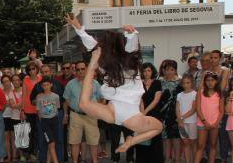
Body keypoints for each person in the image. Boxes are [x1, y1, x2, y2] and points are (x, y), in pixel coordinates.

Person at [66, 14, 162, 153]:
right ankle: (131, 142)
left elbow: (93, 46)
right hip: (125, 113)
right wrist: (131, 34)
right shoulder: (129, 63)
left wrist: (79, 29)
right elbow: (131, 49)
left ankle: (131, 142)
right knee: (158, 127)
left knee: (83, 104)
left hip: (115, 110)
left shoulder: (106, 63)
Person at [63, 60, 101, 163]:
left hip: (91, 115)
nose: (80, 71)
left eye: (82, 69)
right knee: (74, 140)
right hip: (76, 115)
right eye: (78, 69)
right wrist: (70, 111)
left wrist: (95, 109)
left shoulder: (95, 83)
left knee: (93, 141)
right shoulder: (70, 84)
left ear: (87, 69)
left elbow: (101, 99)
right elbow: (66, 100)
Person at [189, 72, 224, 163]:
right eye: (208, 80)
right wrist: (205, 122)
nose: (210, 83)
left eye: (212, 80)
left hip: (215, 124)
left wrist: (216, 123)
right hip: (202, 124)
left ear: (216, 81)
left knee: (213, 145)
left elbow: (221, 111)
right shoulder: (200, 92)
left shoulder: (220, 94)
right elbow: (198, 109)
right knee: (201, 146)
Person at [136, 63, 165, 163]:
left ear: (152, 71)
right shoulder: (139, 83)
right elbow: (140, 99)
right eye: (144, 71)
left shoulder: (157, 83)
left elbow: (156, 100)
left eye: (149, 70)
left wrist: (146, 112)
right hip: (141, 112)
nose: (146, 73)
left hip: (155, 114)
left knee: (156, 138)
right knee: (143, 137)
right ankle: (144, 162)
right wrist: (142, 112)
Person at [36, 78, 69, 163]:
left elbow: (57, 108)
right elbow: (38, 111)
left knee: (52, 144)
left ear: (51, 85)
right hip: (44, 122)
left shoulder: (55, 96)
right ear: (42, 86)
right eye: (44, 85)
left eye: (47, 84)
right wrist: (42, 122)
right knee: (51, 144)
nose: (45, 87)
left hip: (54, 121)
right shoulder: (39, 97)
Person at [159, 60, 182, 163]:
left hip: (176, 113)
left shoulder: (180, 82)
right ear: (163, 70)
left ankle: (177, 159)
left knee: (176, 138)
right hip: (163, 114)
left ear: (176, 70)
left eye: (172, 69)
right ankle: (166, 159)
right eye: (167, 69)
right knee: (165, 138)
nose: (169, 72)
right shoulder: (160, 82)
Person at [176, 74, 198, 163]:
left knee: (193, 143)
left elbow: (193, 109)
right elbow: (177, 108)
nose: (186, 85)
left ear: (192, 83)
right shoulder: (179, 95)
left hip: (192, 122)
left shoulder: (195, 94)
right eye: (184, 83)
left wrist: (182, 117)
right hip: (182, 123)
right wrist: (180, 120)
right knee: (185, 143)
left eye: (188, 83)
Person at [21, 61, 42, 163]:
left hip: (39, 110)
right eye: (29, 69)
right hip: (29, 110)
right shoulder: (26, 80)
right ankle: (30, 153)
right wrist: (22, 110)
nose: (31, 71)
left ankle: (37, 152)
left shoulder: (40, 79)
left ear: (37, 69)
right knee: (30, 133)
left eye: (33, 69)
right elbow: (24, 96)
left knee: (39, 132)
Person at [2, 75, 22, 163]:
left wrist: (10, 104)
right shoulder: (1, 92)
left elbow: (13, 105)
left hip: (14, 116)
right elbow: (1, 106)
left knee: (14, 137)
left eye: (7, 81)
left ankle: (14, 156)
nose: (6, 83)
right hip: (5, 116)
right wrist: (5, 105)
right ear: (2, 83)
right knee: (6, 138)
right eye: (4, 82)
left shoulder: (14, 91)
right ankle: (8, 156)